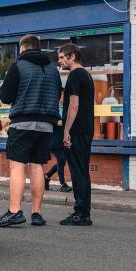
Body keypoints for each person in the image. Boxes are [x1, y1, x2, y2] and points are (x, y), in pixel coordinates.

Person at [0, 34, 61, 228]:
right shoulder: (53, 69)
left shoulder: (18, 66)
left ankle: (15, 211)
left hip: (22, 123)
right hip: (46, 125)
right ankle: (37, 213)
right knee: (37, 166)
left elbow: (5, 96)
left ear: (22, 49)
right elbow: (58, 94)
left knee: (17, 166)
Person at [58, 44, 95, 226]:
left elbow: (74, 105)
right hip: (86, 129)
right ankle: (84, 212)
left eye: (62, 57)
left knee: (77, 172)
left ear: (72, 56)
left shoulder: (74, 75)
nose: (60, 61)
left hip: (77, 131)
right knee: (83, 171)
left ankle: (80, 214)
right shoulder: (87, 75)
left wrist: (66, 130)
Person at [44, 120, 73, 193]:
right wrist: (55, 122)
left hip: (64, 140)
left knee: (62, 162)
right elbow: (46, 120)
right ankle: (62, 184)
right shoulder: (54, 109)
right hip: (55, 140)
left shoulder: (66, 110)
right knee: (61, 159)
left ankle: (47, 177)